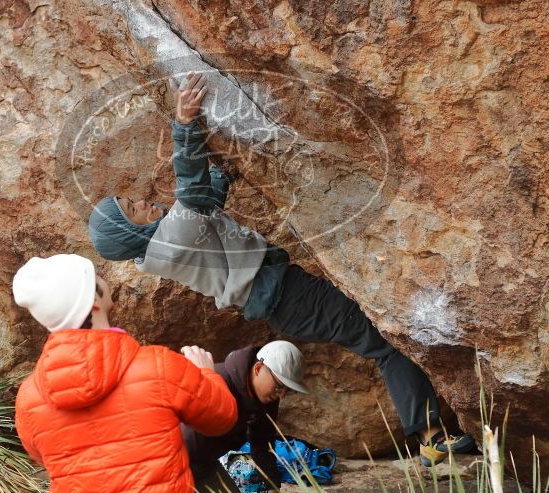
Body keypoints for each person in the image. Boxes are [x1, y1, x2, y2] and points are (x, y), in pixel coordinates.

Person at [88, 72, 475, 466]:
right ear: (130, 234)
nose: (144, 203)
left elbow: (205, 203)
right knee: (386, 344)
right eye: (134, 210)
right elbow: (191, 191)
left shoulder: (165, 243)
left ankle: (429, 434)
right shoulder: (168, 242)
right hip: (289, 297)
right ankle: (431, 438)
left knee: (383, 341)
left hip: (284, 297)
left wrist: (224, 170)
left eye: (133, 200)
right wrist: (185, 124)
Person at [11, 253, 238, 493]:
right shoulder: (158, 366)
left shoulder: (29, 397)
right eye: (96, 277)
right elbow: (222, 417)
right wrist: (205, 372)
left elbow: (43, 456)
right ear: (93, 300)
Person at [183, 340, 308, 493]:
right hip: (169, 464)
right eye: (279, 386)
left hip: (204, 466)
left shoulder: (265, 400)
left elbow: (262, 442)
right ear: (258, 368)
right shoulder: (217, 379)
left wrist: (272, 486)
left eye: (287, 390)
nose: (282, 395)